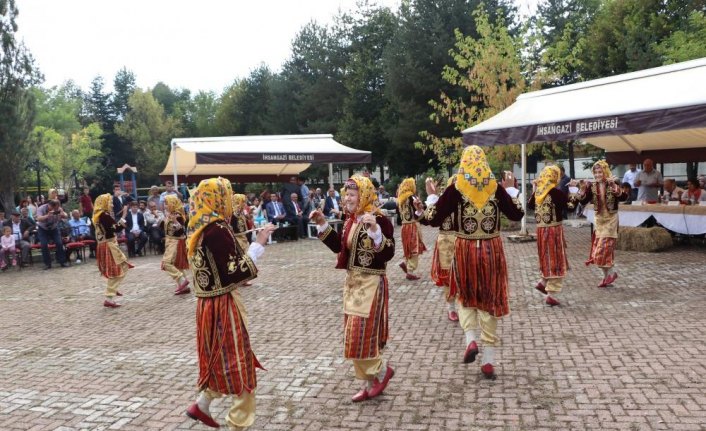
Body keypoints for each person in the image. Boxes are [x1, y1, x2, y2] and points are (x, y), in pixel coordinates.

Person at [421, 146, 524, 379]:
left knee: (464, 296)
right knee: (490, 300)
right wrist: (512, 191)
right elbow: (517, 214)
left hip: (465, 248)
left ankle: (470, 339)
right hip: (491, 249)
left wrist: (431, 197)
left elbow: (432, 218)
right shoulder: (495, 187)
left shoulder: (457, 187)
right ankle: (488, 360)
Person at [184, 177, 276, 430]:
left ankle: (202, 403)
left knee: (220, 357)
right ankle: (238, 424)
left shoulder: (197, 227)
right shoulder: (217, 229)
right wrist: (259, 244)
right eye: (225, 195)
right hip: (222, 306)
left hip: (206, 307)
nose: (228, 200)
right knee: (240, 363)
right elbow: (234, 273)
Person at [310, 175, 396, 402]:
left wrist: (376, 230)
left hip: (371, 283)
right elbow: (339, 247)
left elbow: (389, 253)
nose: (347, 198)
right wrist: (322, 223)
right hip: (352, 284)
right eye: (346, 194)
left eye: (352, 194)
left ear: (364, 195)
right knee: (353, 336)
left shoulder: (380, 219)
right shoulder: (350, 220)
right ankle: (369, 383)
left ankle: (381, 371)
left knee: (361, 335)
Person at [573, 160, 627, 288]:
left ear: (605, 171)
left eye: (600, 171)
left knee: (601, 251)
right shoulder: (592, 185)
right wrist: (580, 188)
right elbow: (583, 200)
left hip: (611, 219)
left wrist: (614, 186)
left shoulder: (613, 182)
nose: (597, 174)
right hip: (599, 220)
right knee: (599, 250)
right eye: (595, 172)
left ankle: (611, 273)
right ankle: (607, 276)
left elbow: (624, 197)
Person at [527, 166, 570, 306]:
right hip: (553, 231)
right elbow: (570, 206)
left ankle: (543, 281)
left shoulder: (539, 192)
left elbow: (530, 205)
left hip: (541, 231)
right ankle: (551, 293)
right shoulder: (555, 192)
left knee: (546, 257)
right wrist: (575, 192)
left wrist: (534, 189)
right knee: (556, 259)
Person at [93, 194, 132, 308]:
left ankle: (112, 290)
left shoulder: (99, 214)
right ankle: (109, 296)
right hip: (109, 246)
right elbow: (115, 229)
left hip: (106, 245)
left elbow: (112, 228)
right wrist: (124, 215)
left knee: (122, 267)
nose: (111, 204)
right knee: (118, 269)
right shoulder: (104, 215)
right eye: (109, 202)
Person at [429, 177, 459, 321]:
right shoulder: (442, 202)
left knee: (466, 274)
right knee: (449, 276)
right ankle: (451, 307)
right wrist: (431, 198)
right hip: (446, 242)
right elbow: (430, 219)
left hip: (463, 242)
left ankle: (466, 306)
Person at [396, 178, 426, 280]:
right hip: (412, 226)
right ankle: (410, 269)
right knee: (414, 248)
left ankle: (406, 264)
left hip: (404, 226)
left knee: (408, 247)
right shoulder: (412, 197)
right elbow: (418, 214)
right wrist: (421, 210)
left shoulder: (400, 198)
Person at [161, 195, 190, 295]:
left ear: (172, 203)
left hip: (175, 242)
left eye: (166, 203)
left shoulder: (177, 215)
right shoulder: (170, 214)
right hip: (170, 241)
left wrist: (174, 221)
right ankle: (184, 287)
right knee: (177, 265)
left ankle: (181, 279)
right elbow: (166, 229)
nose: (165, 206)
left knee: (166, 263)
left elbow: (182, 230)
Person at [35, 199, 69, 270]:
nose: (55, 209)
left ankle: (62, 262)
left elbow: (66, 215)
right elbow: (38, 218)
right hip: (43, 229)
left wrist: (63, 214)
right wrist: (47, 216)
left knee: (59, 243)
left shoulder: (58, 208)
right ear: (49, 205)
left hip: (54, 228)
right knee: (44, 244)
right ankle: (47, 264)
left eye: (57, 208)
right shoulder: (41, 208)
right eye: (54, 208)